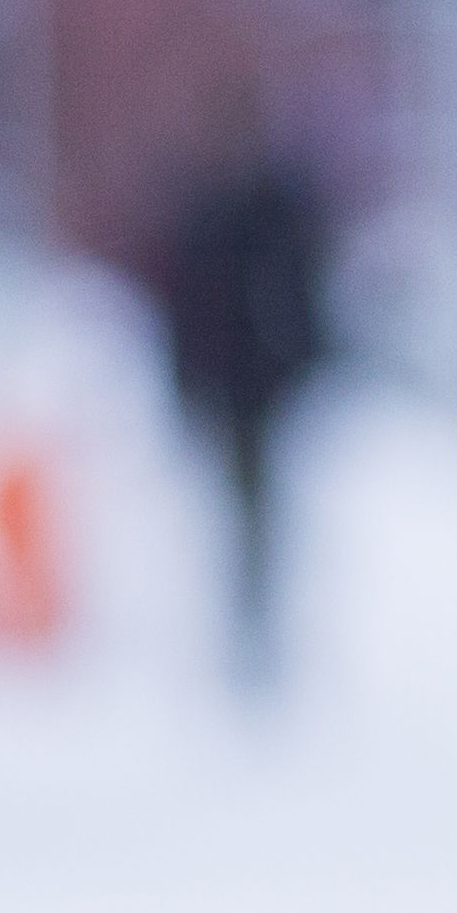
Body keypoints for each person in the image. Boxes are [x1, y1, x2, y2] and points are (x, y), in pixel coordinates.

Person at [152, 87, 331, 689]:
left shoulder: (268, 206)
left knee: (255, 506)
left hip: (261, 385)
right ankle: (245, 616)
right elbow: (182, 304)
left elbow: (306, 294)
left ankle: (253, 619)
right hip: (234, 383)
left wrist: (302, 365)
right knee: (244, 506)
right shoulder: (211, 208)